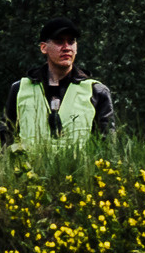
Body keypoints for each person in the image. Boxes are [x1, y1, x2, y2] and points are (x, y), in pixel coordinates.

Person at [8, 18, 115, 153]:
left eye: (71, 42)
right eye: (59, 41)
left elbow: (108, 146)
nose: (66, 47)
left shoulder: (96, 91)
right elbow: (5, 139)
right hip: (28, 171)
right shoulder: (20, 89)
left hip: (79, 172)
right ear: (43, 47)